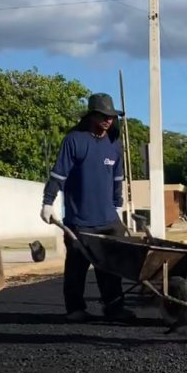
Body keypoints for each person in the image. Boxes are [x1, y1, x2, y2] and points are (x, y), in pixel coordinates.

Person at [41, 93, 134, 324]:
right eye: (103, 115)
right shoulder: (75, 140)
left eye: (111, 116)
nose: (108, 120)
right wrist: (47, 202)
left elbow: (117, 179)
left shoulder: (114, 144)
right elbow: (58, 174)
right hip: (79, 220)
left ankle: (114, 307)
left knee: (111, 268)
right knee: (76, 267)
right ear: (91, 115)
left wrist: (118, 207)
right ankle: (75, 309)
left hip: (108, 220)